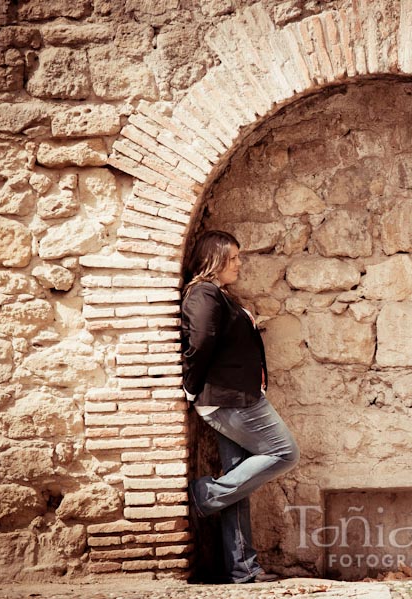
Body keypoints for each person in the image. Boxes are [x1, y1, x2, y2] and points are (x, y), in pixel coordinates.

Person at [181, 230, 299, 584]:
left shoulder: (218, 295)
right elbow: (200, 342)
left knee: (239, 479)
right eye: (232, 258)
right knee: (285, 452)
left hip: (234, 396)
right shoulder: (203, 293)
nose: (238, 264)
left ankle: (243, 569)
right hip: (229, 398)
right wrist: (190, 386)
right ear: (213, 259)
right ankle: (205, 495)